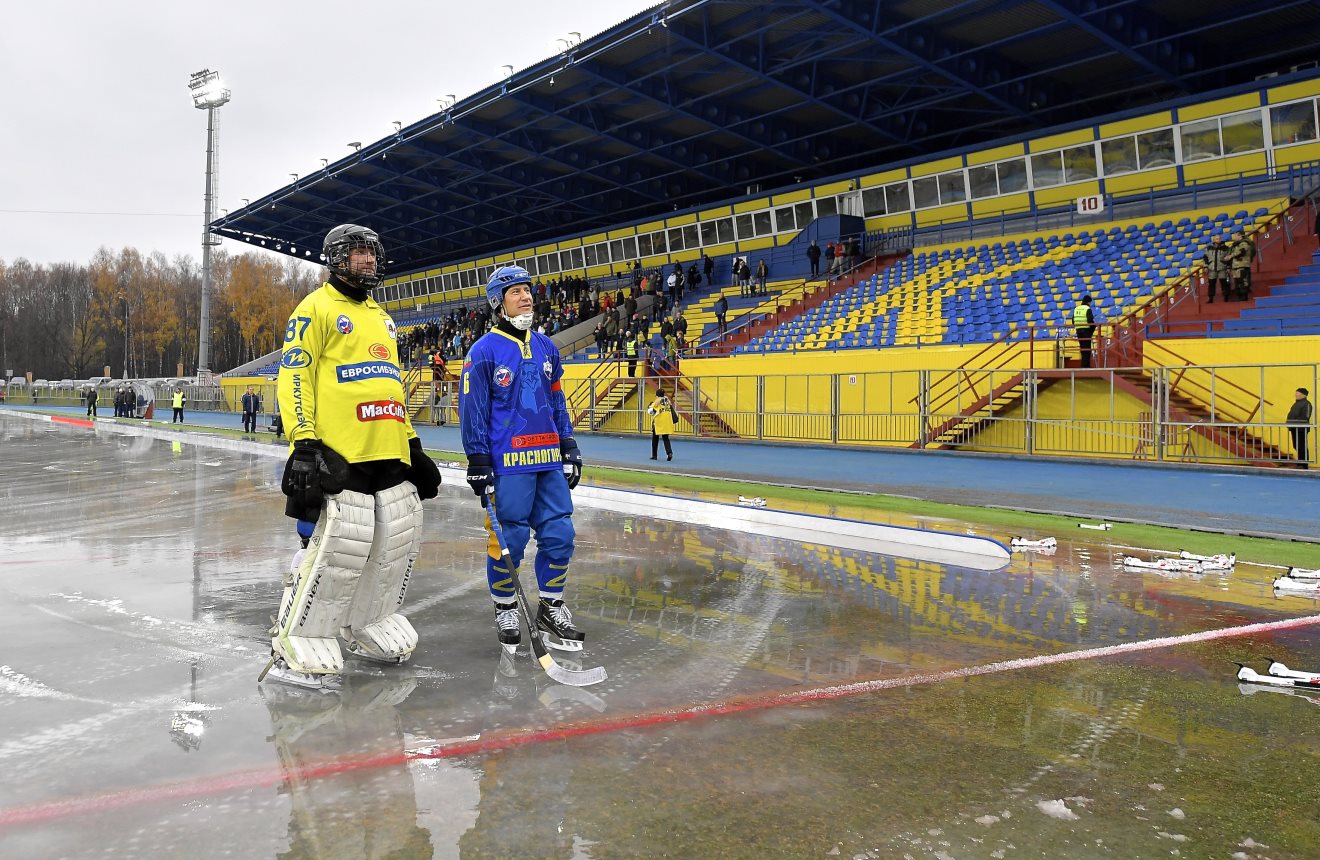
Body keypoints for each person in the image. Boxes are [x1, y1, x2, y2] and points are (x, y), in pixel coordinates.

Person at [266, 223, 442, 690]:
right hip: (339, 453)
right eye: (357, 254)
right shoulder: (316, 308)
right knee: (338, 547)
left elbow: (390, 386)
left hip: (387, 450)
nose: (367, 261)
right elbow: (294, 376)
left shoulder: (383, 318)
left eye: (371, 254)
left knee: (392, 545)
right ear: (336, 259)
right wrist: (303, 442)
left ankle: (369, 620)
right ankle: (297, 636)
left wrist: (414, 445)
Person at [460, 265, 585, 654]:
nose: (526, 296)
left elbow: (556, 401)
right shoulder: (482, 352)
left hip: (548, 459)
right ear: (498, 303)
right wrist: (478, 459)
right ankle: (506, 608)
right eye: (516, 291)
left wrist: (569, 444)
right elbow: (472, 409)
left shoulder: (547, 347)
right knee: (507, 540)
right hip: (507, 462)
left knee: (560, 535)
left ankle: (550, 606)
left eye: (528, 290)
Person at [647, 386, 676, 461]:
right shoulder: (667, 402)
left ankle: (654, 455)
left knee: (655, 439)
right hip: (667, 422)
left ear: (657, 395)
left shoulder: (657, 402)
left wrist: (649, 406)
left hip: (658, 423)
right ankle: (669, 453)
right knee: (666, 439)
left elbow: (651, 411)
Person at [1288, 387, 1313, 469]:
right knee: (1297, 446)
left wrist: (1295, 422)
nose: (1296, 394)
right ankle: (1300, 462)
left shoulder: (1307, 404)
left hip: (1301, 428)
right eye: (1296, 393)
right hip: (1294, 428)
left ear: (1303, 395)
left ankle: (1304, 464)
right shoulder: (1296, 404)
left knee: (1302, 446)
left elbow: (1306, 416)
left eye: (1298, 393)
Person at [1202, 236, 1231, 303]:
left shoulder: (1226, 248)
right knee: (1211, 284)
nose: (1218, 240)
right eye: (1217, 239)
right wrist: (1206, 266)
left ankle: (1226, 297)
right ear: (1214, 240)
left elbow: (1229, 258)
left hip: (1222, 268)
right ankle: (1211, 298)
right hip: (1212, 268)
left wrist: (1228, 267)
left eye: (1220, 238)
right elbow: (1205, 258)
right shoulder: (1209, 248)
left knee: (1224, 283)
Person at [1230, 230, 1256, 301]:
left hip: (1242, 265)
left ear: (1240, 236)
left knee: (1242, 281)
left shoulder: (1244, 243)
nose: (1234, 236)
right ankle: (1240, 296)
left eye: (1236, 235)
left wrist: (1231, 256)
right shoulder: (1235, 244)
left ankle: (1244, 296)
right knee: (1238, 281)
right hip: (1236, 266)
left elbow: (1241, 251)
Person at [1072, 294, 1096, 369]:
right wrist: (1093, 327)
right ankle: (1086, 366)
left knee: (1082, 348)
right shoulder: (1087, 309)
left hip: (1078, 330)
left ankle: (1083, 365)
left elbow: (1073, 320)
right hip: (1086, 331)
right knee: (1087, 349)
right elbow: (1090, 320)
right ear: (1089, 302)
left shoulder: (1076, 308)